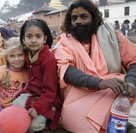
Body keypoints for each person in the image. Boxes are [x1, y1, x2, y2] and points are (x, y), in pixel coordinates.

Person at [52, 0, 136, 132]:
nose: (78, 21)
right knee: (76, 120)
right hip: (78, 96)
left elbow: (134, 60)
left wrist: (131, 83)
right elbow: (67, 71)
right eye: (74, 18)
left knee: (124, 82)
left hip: (110, 91)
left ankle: (111, 120)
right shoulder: (64, 43)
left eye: (83, 16)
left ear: (94, 19)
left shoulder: (113, 37)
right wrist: (101, 83)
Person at [13, 19, 63, 132]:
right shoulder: (27, 55)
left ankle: (48, 118)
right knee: (15, 104)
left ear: (44, 39)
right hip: (31, 94)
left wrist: (37, 108)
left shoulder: (48, 59)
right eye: (29, 37)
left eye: (38, 36)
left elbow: (50, 92)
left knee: (33, 126)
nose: (33, 40)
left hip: (47, 99)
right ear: (23, 39)